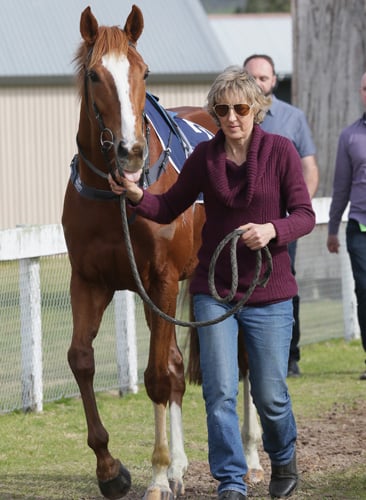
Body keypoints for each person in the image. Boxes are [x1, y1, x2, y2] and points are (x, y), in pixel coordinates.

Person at [109, 66, 315, 499]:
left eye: (240, 108)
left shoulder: (281, 152)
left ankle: (283, 456)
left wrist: (273, 230)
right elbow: (168, 206)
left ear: (255, 109)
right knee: (219, 391)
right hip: (215, 292)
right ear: (215, 114)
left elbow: (304, 215)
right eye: (222, 110)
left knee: (270, 393)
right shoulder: (205, 158)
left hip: (270, 293)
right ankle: (231, 482)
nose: (232, 117)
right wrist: (134, 195)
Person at [244, 54, 319, 377]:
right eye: (253, 78)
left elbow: (309, 168)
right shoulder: (234, 117)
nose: (259, 83)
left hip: (279, 225)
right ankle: (244, 359)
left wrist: (294, 213)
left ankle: (290, 356)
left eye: (264, 77)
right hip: (242, 224)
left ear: (274, 80)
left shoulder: (293, 118)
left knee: (285, 286)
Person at [327, 71, 366, 380]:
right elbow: (341, 186)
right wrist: (332, 228)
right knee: (364, 292)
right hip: (359, 228)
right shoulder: (350, 136)